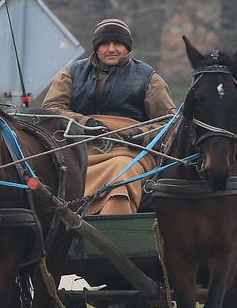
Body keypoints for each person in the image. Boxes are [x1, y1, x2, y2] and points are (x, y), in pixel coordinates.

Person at [44, 18, 176, 214]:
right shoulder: (71, 74)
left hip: (129, 153)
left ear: (127, 48)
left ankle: (113, 226)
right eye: (105, 44)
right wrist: (84, 123)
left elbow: (170, 122)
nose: (111, 49)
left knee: (120, 170)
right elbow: (51, 108)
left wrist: (143, 134)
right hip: (78, 153)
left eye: (118, 44)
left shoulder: (150, 78)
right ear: (96, 48)